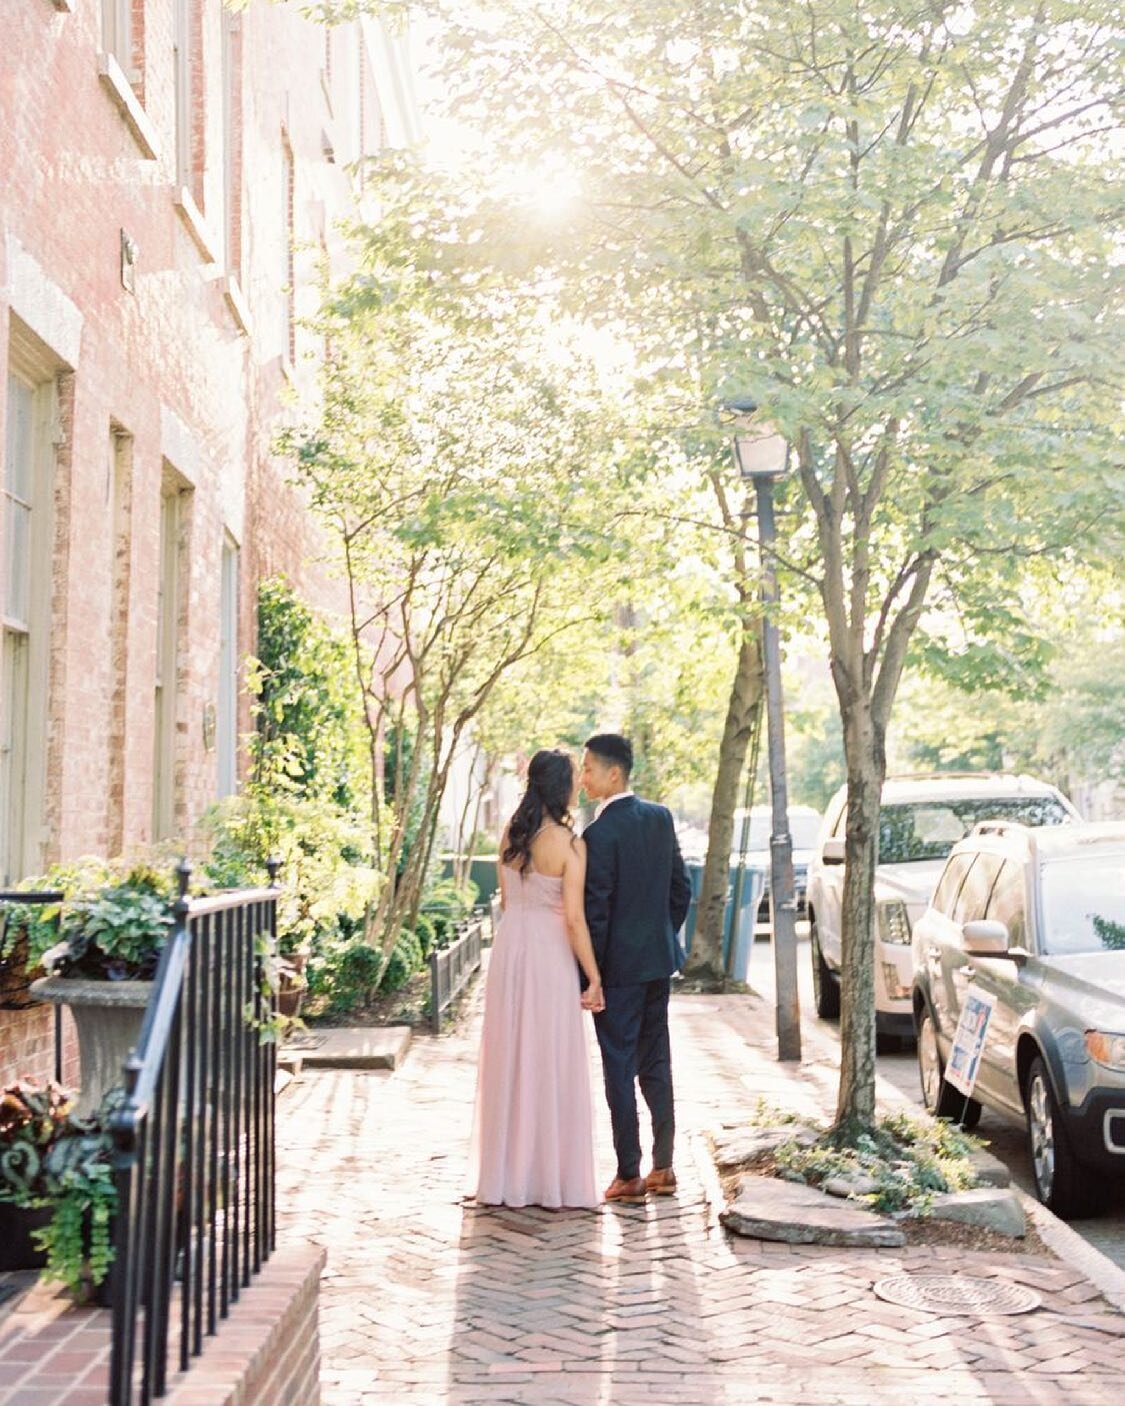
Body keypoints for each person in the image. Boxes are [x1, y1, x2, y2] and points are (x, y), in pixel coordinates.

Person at [466, 748, 605, 1210]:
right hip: (547, 952)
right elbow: (573, 920)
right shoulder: (569, 843)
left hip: (511, 948)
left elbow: (507, 900)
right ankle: (549, 1177)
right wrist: (593, 976)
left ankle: (508, 1176)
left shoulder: (512, 831)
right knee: (549, 1055)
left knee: (511, 1054)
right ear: (561, 788)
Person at [580, 733, 692, 1204]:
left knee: (618, 1069)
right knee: (656, 1062)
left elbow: (597, 913)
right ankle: (662, 1167)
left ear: (614, 774)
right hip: (656, 966)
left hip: (619, 974)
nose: (582, 777)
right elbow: (680, 888)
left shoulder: (597, 835)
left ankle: (629, 1173)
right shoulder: (660, 818)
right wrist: (660, 938)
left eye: (587, 768)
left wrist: (594, 976)